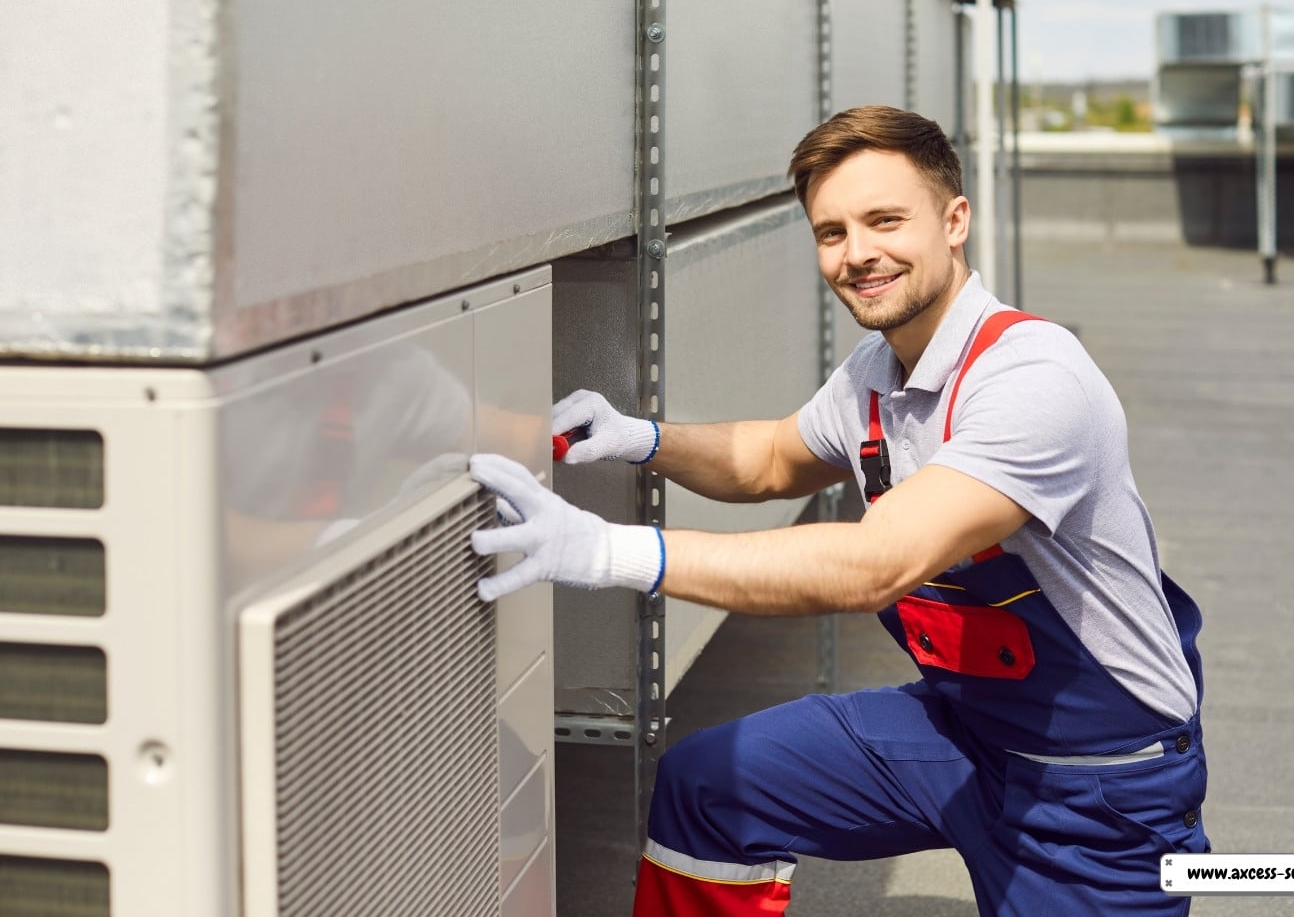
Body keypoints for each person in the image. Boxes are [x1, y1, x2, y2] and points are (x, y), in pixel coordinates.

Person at [468, 104, 1209, 916]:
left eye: (885, 220)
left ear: (954, 220)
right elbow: (772, 458)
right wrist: (639, 437)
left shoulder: (1034, 380)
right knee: (711, 787)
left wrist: (610, 551)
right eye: (831, 231)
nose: (858, 254)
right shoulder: (876, 371)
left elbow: (874, 565)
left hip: (1094, 785)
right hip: (963, 732)